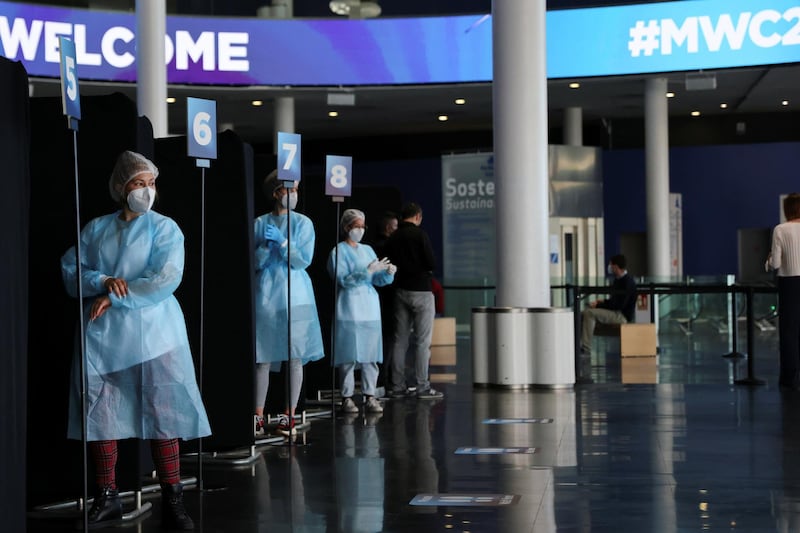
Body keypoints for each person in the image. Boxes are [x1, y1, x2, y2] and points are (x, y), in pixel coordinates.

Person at [60, 151, 210, 530]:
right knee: (102, 416)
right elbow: (73, 268)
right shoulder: (96, 229)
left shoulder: (164, 229)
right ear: (120, 187)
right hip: (106, 339)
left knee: (163, 416)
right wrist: (100, 282)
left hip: (156, 336)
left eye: (151, 183)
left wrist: (115, 296)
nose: (146, 190)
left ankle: (173, 498)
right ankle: (106, 496)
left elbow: (165, 277)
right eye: (138, 183)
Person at [253, 171, 324, 437]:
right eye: (289, 189)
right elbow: (254, 263)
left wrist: (283, 243)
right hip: (267, 294)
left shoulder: (303, 223)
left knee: (295, 356)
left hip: (296, 293)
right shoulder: (259, 223)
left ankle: (288, 416)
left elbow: (302, 260)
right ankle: (257, 418)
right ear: (276, 193)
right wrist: (265, 249)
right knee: (262, 357)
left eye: (296, 189)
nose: (294, 194)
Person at [328, 209, 396, 414]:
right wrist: (366, 271)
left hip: (369, 308)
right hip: (349, 307)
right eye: (356, 226)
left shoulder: (367, 250)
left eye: (362, 226)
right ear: (346, 227)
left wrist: (387, 274)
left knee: (370, 355)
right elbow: (343, 280)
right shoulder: (337, 252)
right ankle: (347, 398)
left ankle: (370, 396)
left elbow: (376, 280)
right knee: (348, 355)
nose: (360, 230)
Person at [383, 202, 443, 399]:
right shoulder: (420, 235)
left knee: (400, 341)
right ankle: (422, 386)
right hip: (422, 291)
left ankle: (398, 386)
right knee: (422, 342)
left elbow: (388, 261)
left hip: (400, 291)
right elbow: (431, 262)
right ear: (418, 216)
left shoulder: (394, 237)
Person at [767, 193, 800, 390]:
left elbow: (776, 264)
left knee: (789, 331)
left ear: (787, 209)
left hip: (789, 284)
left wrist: (768, 260)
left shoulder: (781, 229)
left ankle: (789, 377)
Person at [580, 254, 637, 355]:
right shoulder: (618, 280)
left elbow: (618, 305)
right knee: (582, 313)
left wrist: (599, 305)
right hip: (615, 311)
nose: (609, 267)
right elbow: (614, 301)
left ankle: (585, 347)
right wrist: (600, 302)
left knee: (589, 313)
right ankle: (579, 344)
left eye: (611, 265)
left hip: (621, 315)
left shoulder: (627, 282)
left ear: (616, 266)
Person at [371, 210, 399, 391]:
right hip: (386, 299)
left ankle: (381, 379)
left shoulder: (371, 246)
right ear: (389, 227)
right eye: (395, 227)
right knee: (388, 339)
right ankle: (384, 379)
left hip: (376, 299)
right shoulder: (388, 247)